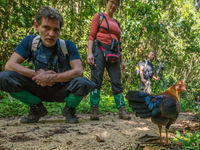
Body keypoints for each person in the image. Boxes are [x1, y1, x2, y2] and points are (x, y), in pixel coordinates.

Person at [0, 6, 96, 124]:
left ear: (60, 30)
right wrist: (37, 75)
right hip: (37, 87)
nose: (51, 34)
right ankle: (36, 108)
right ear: (37, 26)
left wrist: (52, 77)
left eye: (56, 30)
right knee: (4, 77)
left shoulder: (68, 45)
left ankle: (69, 109)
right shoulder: (30, 42)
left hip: (62, 89)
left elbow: (78, 71)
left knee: (83, 83)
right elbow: (10, 65)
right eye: (46, 27)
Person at [87, 0, 131, 120]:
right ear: (106, 2)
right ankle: (94, 108)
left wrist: (122, 60)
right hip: (99, 49)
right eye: (112, 2)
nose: (114, 5)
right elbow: (91, 36)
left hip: (114, 53)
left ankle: (122, 109)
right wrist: (90, 53)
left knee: (117, 81)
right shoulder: (99, 17)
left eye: (116, 4)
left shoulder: (117, 23)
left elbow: (119, 43)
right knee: (96, 79)